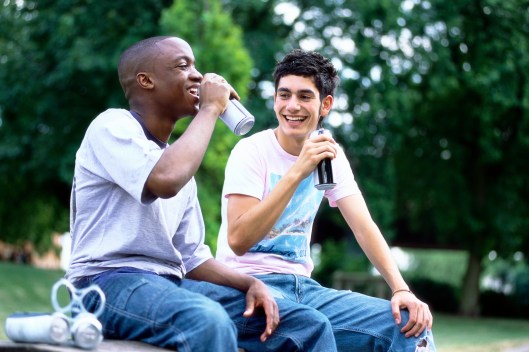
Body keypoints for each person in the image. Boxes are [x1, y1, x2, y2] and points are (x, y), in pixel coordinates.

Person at [66, 36, 287, 352]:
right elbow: (164, 180)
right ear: (146, 81)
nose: (198, 75)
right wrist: (210, 108)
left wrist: (251, 282)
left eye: (195, 65)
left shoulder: (179, 160)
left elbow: (192, 258)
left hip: (168, 284)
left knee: (301, 323)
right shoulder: (111, 126)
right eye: (183, 66)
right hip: (103, 284)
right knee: (206, 320)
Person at [216, 48, 437, 351]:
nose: (292, 106)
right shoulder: (251, 151)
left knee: (410, 327)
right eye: (284, 95)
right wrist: (297, 171)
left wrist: (401, 289)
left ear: (325, 104)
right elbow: (239, 239)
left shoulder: (330, 155)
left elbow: (363, 226)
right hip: (247, 287)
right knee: (313, 328)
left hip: (304, 289)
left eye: (305, 96)